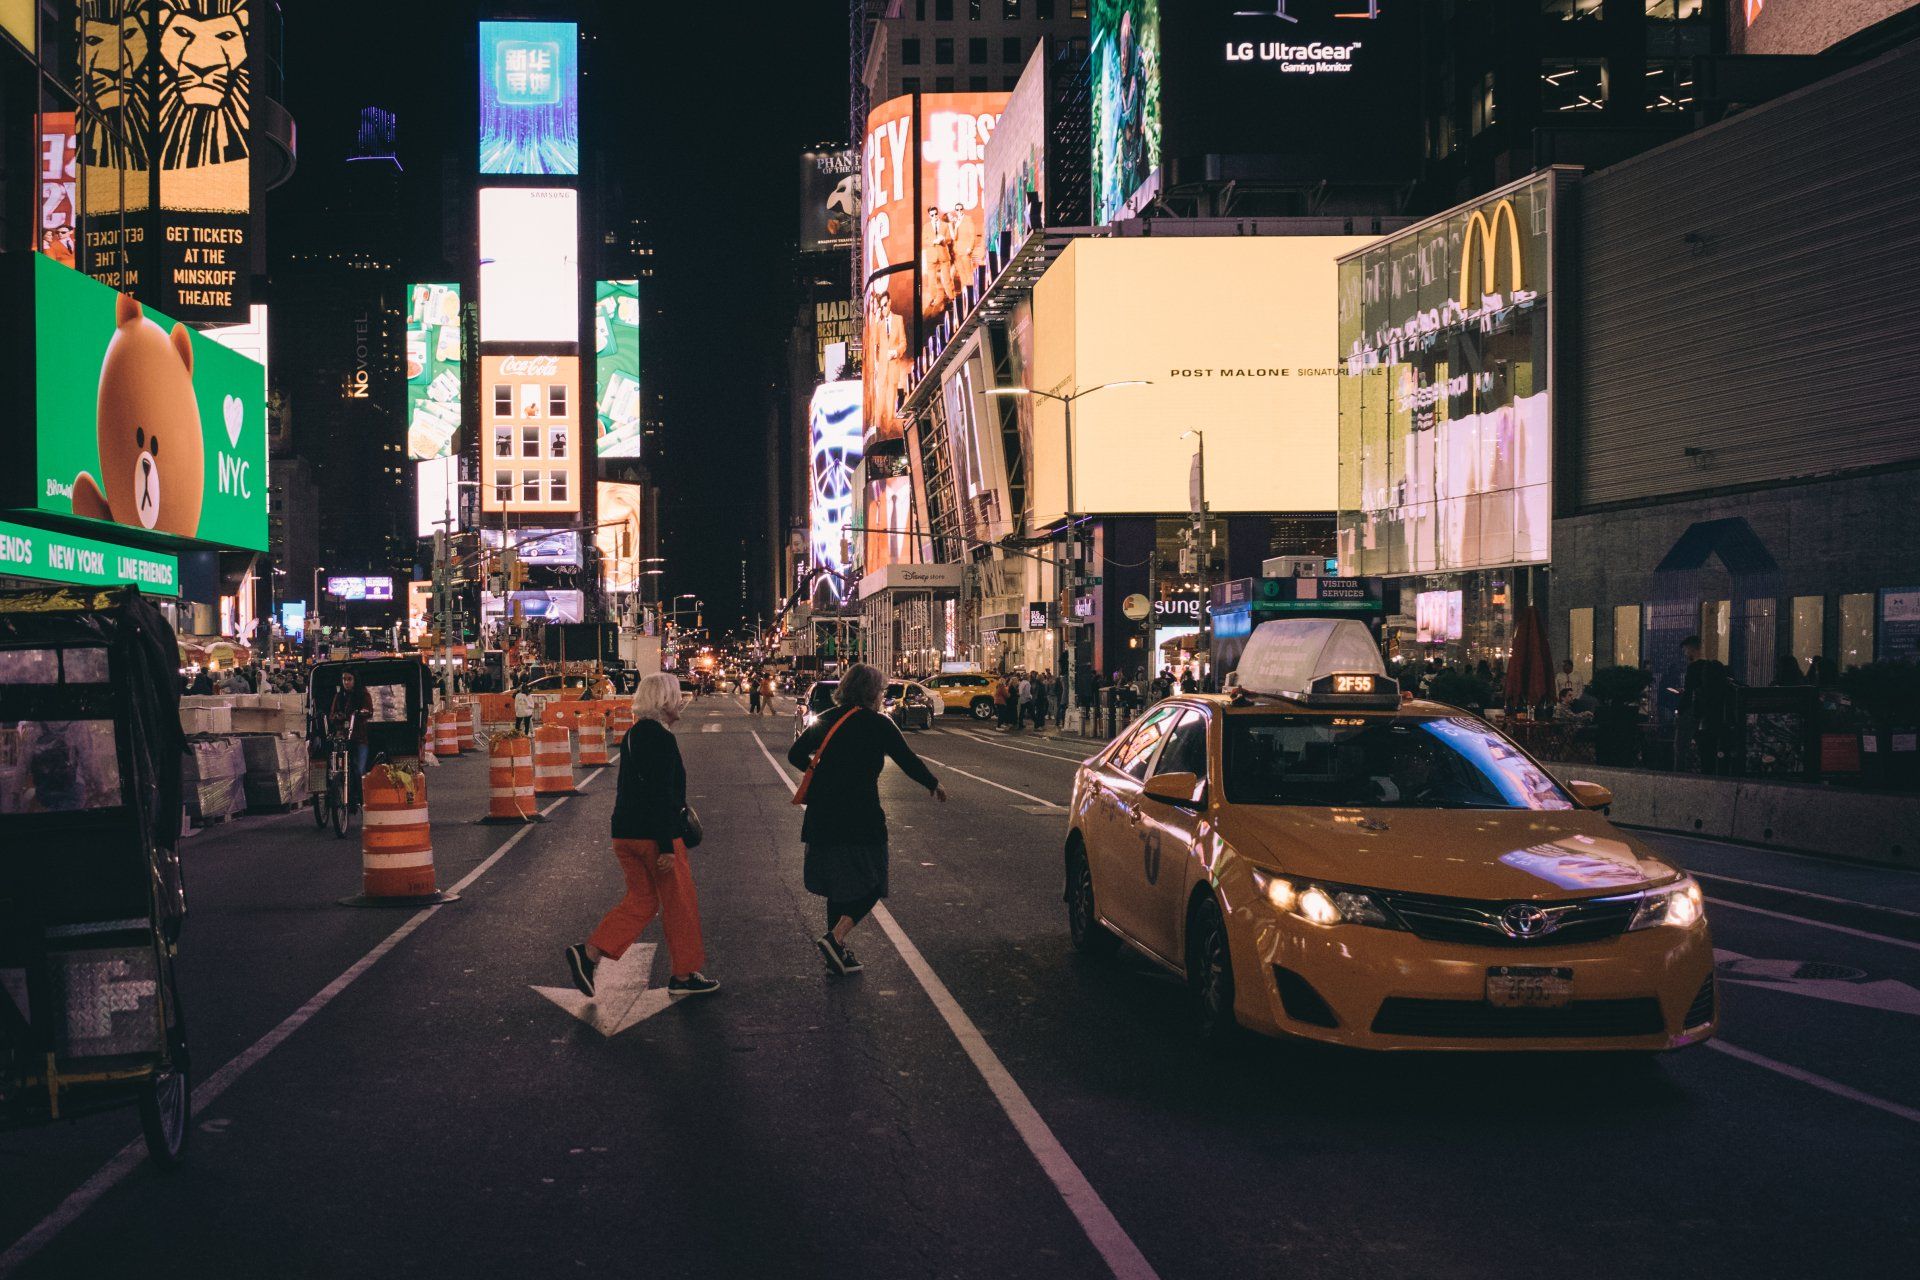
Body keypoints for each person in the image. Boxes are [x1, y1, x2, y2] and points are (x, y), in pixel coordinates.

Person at [565, 673, 719, 1000]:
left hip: (625, 833)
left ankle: (589, 953)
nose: (682, 701)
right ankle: (684, 975)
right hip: (655, 836)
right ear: (664, 701)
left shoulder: (635, 734)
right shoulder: (660, 739)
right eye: (677, 695)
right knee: (680, 904)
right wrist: (666, 846)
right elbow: (661, 794)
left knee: (642, 900)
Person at [788, 664, 946, 976]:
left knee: (837, 886)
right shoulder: (879, 724)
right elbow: (906, 759)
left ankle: (836, 954)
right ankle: (836, 937)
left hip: (823, 814)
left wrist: (821, 772)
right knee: (874, 880)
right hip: (861, 815)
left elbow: (795, 754)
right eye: (881, 690)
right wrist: (932, 783)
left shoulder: (828, 719)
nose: (882, 695)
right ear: (872, 692)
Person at [1677, 635, 1735, 776]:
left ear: (1691, 649)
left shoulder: (1693, 668)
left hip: (1695, 713)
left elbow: (1688, 693)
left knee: (1682, 746)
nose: (1685, 654)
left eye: (1685, 650)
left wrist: (1680, 710)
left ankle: (1683, 773)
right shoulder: (1714, 668)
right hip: (1713, 714)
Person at [327, 671, 375, 809]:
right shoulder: (339, 696)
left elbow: (369, 710)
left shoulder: (363, 694)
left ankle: (362, 798)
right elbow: (332, 714)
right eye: (344, 679)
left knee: (359, 769)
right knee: (335, 767)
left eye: (349, 679)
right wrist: (337, 716)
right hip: (342, 737)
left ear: (355, 680)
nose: (346, 682)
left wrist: (362, 712)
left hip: (359, 738)